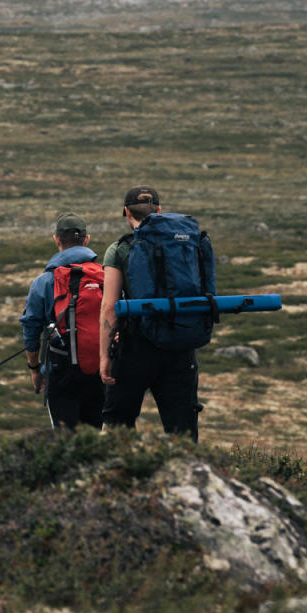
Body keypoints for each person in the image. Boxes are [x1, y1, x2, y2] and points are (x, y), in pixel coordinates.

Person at [98, 186, 201, 441]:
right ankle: (190, 478)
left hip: (135, 346)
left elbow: (109, 306)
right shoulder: (186, 243)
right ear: (159, 210)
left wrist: (104, 355)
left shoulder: (119, 249)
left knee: (118, 422)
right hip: (181, 344)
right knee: (182, 427)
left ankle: (122, 476)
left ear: (126, 212)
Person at [19, 212, 105, 430]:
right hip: (102, 369)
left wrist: (35, 368)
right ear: (86, 239)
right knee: (95, 436)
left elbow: (30, 328)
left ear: (56, 239)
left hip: (62, 370)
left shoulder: (43, 282)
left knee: (65, 439)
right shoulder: (106, 276)